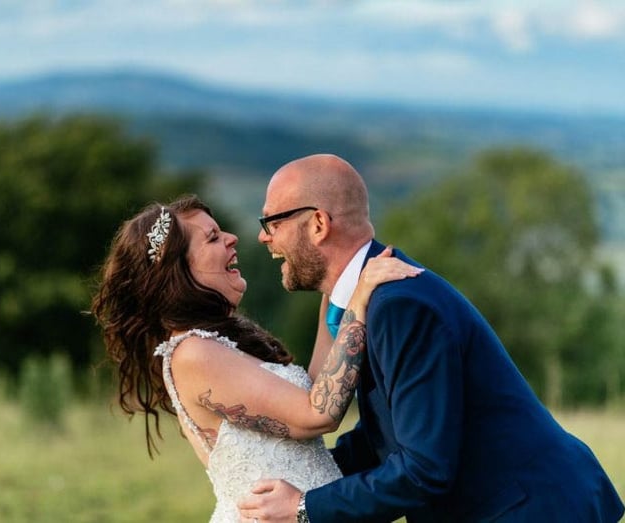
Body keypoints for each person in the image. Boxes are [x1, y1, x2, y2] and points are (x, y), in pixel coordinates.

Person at [238, 154, 624, 523]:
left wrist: (307, 509)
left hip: (529, 509)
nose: (262, 237)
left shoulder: (398, 305)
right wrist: (304, 474)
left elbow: (425, 468)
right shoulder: (373, 298)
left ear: (319, 224)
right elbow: (387, 432)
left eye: (272, 221)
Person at [90, 194, 423, 522]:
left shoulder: (219, 342)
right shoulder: (192, 353)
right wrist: (360, 300)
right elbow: (319, 413)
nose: (232, 239)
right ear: (180, 270)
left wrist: (335, 281)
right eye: (213, 238)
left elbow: (314, 389)